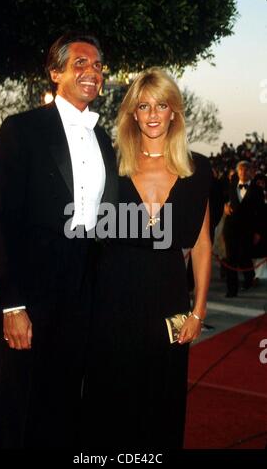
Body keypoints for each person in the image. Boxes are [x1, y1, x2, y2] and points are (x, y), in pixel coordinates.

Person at [0, 32, 117, 449]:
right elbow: (2, 220)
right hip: (31, 292)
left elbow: (109, 221)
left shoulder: (104, 140)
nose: (92, 72)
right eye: (80, 63)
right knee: (19, 406)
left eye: (97, 65)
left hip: (84, 294)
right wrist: (12, 304)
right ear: (55, 71)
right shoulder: (22, 129)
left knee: (63, 405)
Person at [83, 68, 212, 451]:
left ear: (174, 112)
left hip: (168, 302)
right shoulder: (110, 165)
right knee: (111, 404)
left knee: (162, 402)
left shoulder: (197, 168)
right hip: (112, 303)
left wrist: (198, 311)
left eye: (161, 105)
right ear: (132, 114)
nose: (153, 114)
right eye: (143, 106)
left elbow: (202, 245)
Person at [223, 160, 265, 297]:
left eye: (246, 170)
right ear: (237, 171)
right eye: (241, 169)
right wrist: (225, 207)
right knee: (231, 259)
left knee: (244, 258)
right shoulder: (231, 186)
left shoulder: (258, 190)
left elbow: (261, 213)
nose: (243, 172)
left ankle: (249, 278)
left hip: (247, 229)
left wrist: (258, 232)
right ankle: (231, 290)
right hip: (231, 229)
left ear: (251, 172)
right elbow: (223, 201)